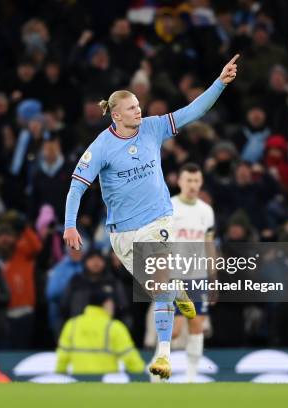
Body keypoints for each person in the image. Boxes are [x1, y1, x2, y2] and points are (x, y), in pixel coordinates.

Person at [63, 54, 239, 380]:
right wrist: (70, 225)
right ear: (115, 115)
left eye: (139, 106)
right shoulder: (101, 146)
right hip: (122, 234)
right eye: (131, 108)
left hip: (158, 221)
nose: (138, 111)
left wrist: (220, 83)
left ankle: (163, 357)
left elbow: (192, 112)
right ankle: (179, 293)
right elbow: (77, 186)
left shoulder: (153, 128)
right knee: (165, 288)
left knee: (158, 287)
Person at [169, 163, 216, 382]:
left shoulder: (206, 211)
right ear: (179, 181)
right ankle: (158, 367)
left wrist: (213, 278)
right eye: (188, 180)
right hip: (174, 276)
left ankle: (191, 376)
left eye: (196, 181)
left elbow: (209, 245)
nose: (193, 185)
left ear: (201, 182)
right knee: (175, 330)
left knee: (196, 326)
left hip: (198, 277)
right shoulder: (168, 207)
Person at [55, 289, 145, 375]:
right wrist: (141, 375)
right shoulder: (114, 327)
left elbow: (62, 357)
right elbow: (130, 357)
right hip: (107, 383)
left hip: (79, 381)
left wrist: (59, 374)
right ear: (107, 303)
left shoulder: (72, 324)